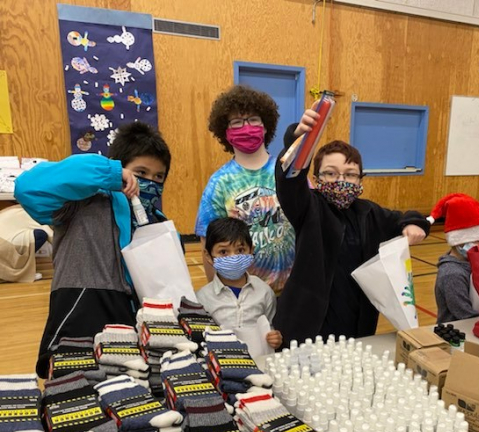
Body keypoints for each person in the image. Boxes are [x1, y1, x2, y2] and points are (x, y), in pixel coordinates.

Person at [15, 122, 173, 378]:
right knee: (74, 400)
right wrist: (108, 173)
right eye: (140, 172)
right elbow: (28, 188)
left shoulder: (158, 222)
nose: (150, 182)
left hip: (133, 329)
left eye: (158, 177)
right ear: (122, 169)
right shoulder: (80, 203)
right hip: (80, 315)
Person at [273, 108, 430, 344]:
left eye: (350, 174)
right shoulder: (308, 208)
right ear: (316, 179)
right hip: (310, 320)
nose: (341, 181)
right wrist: (296, 140)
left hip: (356, 317)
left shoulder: (370, 212)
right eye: (330, 173)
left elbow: (404, 218)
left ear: (360, 179)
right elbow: (289, 179)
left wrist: (414, 224)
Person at [195, 85, 295, 294]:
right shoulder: (219, 183)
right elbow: (209, 243)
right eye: (237, 122)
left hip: (292, 290)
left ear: (266, 126)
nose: (246, 126)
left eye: (253, 120)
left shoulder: (288, 171)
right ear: (227, 132)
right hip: (246, 294)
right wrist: (219, 297)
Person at [196, 217, 282, 351]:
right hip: (222, 365)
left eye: (240, 250)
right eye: (223, 252)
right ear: (208, 256)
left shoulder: (264, 291)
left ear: (251, 251)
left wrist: (275, 338)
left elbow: (270, 327)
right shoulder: (201, 298)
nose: (233, 257)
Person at [428, 194, 479, 324]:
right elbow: (464, 314)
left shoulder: (472, 262)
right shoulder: (452, 274)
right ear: (460, 241)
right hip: (457, 333)